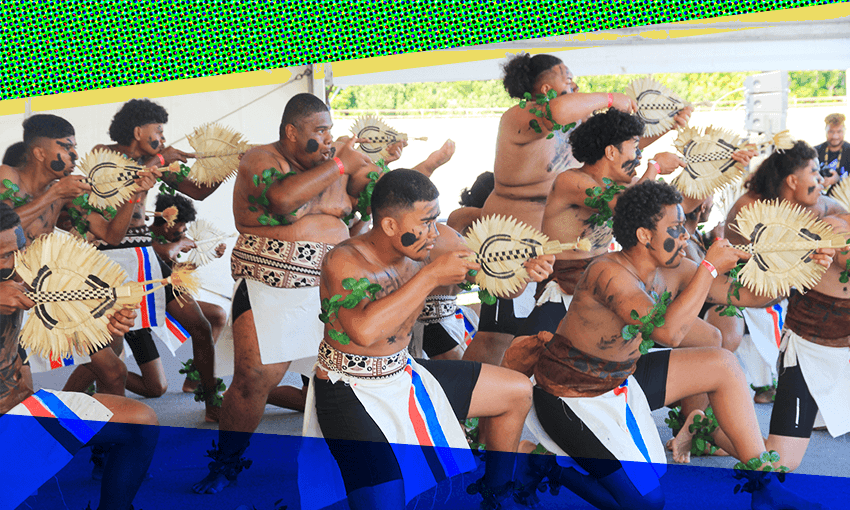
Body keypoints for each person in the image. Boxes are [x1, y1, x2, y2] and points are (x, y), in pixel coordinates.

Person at [511, 181, 830, 510]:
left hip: (620, 378)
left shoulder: (674, 268)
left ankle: (767, 489)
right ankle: (545, 464)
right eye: (676, 228)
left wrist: (799, 268)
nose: (684, 237)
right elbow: (666, 334)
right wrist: (707, 267)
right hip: (567, 395)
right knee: (647, 504)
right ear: (644, 235)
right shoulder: (606, 272)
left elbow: (746, 296)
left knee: (723, 365)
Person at [300, 169, 553, 510]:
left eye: (437, 219)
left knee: (516, 391)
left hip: (402, 372)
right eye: (426, 222)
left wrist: (525, 272)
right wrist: (431, 275)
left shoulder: (437, 240)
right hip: (349, 388)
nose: (435, 232)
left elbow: (494, 281)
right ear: (390, 225)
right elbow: (363, 331)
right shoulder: (345, 260)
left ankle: (495, 495)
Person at [191, 92, 378, 494]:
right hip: (269, 282)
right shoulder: (260, 160)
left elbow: (377, 197)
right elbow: (281, 200)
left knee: (337, 378)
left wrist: (382, 162)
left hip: (331, 284)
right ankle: (226, 463)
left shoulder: (333, 167)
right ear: (292, 132)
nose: (328, 139)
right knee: (254, 377)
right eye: (319, 130)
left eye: (330, 130)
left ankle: (342, 464)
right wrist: (339, 164)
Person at [470, 52, 692, 367]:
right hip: (508, 238)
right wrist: (611, 97)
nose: (573, 81)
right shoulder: (520, 117)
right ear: (543, 87)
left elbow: (618, 147)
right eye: (565, 75)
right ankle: (475, 407)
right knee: (495, 334)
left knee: (539, 339)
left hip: (559, 249)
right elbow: (558, 112)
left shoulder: (577, 120)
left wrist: (668, 126)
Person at [0, 202, 159, 510]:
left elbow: (76, 312)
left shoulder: (22, 278)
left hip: (22, 411)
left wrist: (111, 323)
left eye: (18, 250)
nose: (14, 263)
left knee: (141, 420)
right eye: (3, 256)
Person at [0, 114, 158, 396]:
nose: (75, 154)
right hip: (7, 295)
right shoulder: (7, 176)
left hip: (51, 291)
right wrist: (53, 194)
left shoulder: (66, 191)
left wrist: (134, 194)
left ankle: (108, 437)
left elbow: (110, 235)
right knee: (18, 389)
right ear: (39, 152)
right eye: (67, 147)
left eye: (75, 147)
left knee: (114, 369)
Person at [724, 140, 847, 404]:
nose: (822, 179)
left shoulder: (822, 207)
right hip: (740, 288)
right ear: (792, 181)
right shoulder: (752, 208)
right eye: (814, 173)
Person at [814, 113, 850, 194]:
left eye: (839, 131)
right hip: (819, 200)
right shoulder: (814, 152)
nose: (835, 136)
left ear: (844, 131)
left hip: (845, 202)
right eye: (831, 131)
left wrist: (838, 180)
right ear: (825, 130)